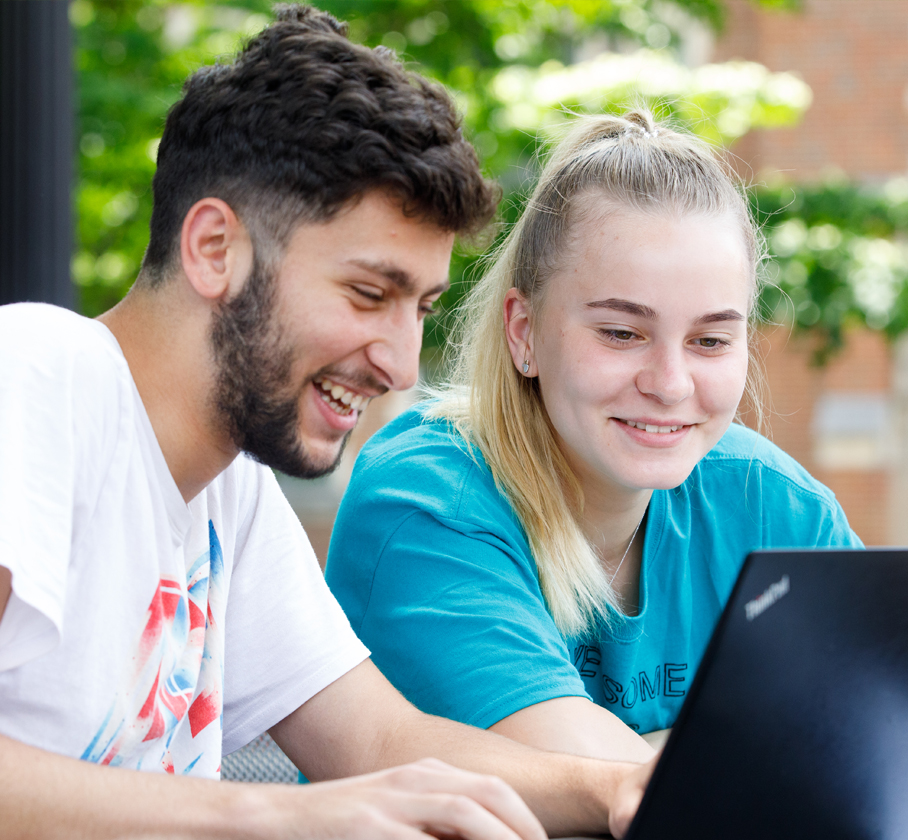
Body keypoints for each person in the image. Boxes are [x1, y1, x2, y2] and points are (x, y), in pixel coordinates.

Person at [0, 9, 654, 840]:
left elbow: (377, 740)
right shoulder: (17, 376)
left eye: (421, 309)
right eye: (368, 294)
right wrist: (273, 818)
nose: (401, 361)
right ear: (213, 248)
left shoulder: (225, 489)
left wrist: (620, 787)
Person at [325, 110, 861, 766]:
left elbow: (875, 734)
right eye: (621, 332)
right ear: (525, 332)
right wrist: (753, 748)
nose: (670, 383)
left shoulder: (772, 505)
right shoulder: (424, 499)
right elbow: (599, 778)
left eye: (710, 340)